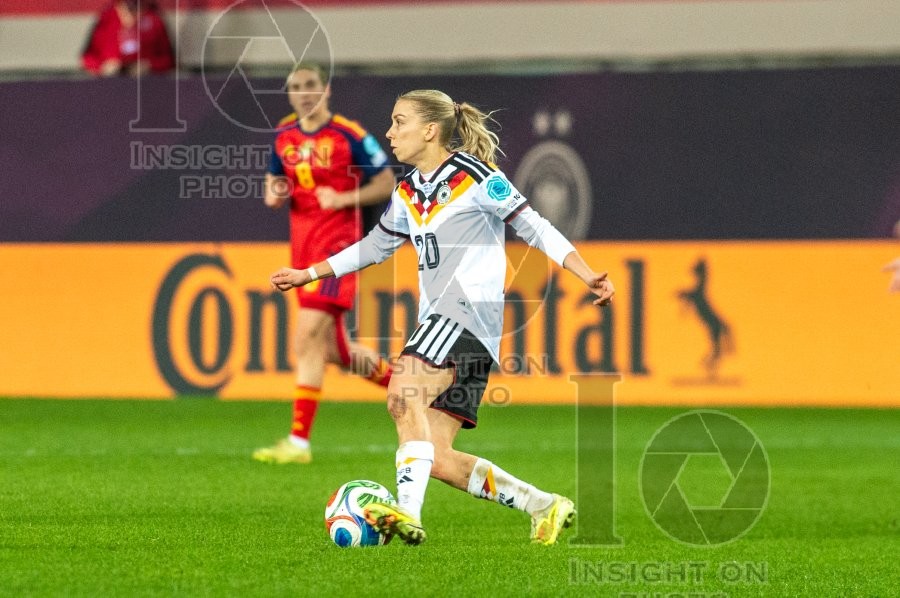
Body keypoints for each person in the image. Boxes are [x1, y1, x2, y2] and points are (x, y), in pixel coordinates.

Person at [269, 89, 615, 545]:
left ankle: (404, 512)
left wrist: (585, 273)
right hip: (457, 327)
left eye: (399, 122)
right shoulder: (409, 188)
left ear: (430, 130)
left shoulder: (476, 177)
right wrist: (309, 273)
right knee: (437, 455)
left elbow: (533, 225)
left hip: (465, 313)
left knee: (400, 394)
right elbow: (377, 245)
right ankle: (544, 505)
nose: (390, 132)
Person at [253, 64, 398, 465]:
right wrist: (276, 192)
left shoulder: (348, 135)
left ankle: (298, 442)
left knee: (305, 338)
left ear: (326, 89)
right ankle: (407, 384)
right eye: (295, 87)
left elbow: (386, 182)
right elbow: (273, 183)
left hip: (338, 253)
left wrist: (345, 198)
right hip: (301, 254)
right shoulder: (284, 135)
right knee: (336, 351)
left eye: (310, 85)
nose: (303, 93)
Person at [81, 0, 175, 77]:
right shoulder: (106, 18)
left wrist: (149, 66)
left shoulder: (154, 19)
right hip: (110, 85)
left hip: (146, 86)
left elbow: (169, 60)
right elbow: (87, 58)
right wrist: (103, 67)